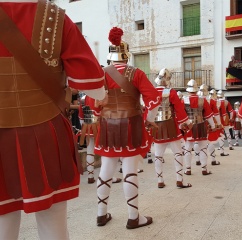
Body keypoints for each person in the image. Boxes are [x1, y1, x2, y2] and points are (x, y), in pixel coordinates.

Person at [0, 1, 106, 239]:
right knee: (52, 223)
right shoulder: (55, 17)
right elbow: (94, 87)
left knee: (2, 219)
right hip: (44, 131)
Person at [94, 27, 160, 228]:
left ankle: (101, 215)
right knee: (129, 171)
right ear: (126, 55)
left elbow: (92, 102)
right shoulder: (136, 73)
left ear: (110, 55)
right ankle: (133, 217)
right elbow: (154, 99)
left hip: (107, 126)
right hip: (131, 125)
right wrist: (149, 118)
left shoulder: (101, 74)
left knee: (106, 170)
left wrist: (100, 116)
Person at [151, 68, 192, 189]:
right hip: (171, 125)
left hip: (156, 126)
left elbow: (146, 110)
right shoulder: (171, 92)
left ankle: (160, 180)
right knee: (178, 153)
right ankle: (179, 180)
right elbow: (179, 109)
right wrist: (187, 122)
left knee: (158, 155)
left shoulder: (151, 92)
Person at [78, 95, 121, 184]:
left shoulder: (84, 98)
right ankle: (108, 177)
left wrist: (84, 128)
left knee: (90, 151)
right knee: (104, 153)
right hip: (101, 126)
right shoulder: (102, 95)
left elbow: (81, 117)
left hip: (88, 126)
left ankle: (90, 176)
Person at [183, 79, 216, 176]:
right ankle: (204, 169)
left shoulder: (183, 100)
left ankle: (188, 169)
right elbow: (209, 114)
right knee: (203, 148)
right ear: (196, 90)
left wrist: (181, 125)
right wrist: (213, 126)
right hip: (201, 125)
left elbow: (181, 115)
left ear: (188, 90)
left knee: (188, 148)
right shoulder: (203, 99)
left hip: (189, 125)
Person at [217, 90, 235, 154]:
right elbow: (231, 111)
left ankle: (220, 146)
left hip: (218, 117)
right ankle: (230, 145)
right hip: (226, 117)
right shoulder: (226, 102)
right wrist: (230, 118)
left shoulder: (216, 101)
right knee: (227, 131)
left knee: (220, 133)